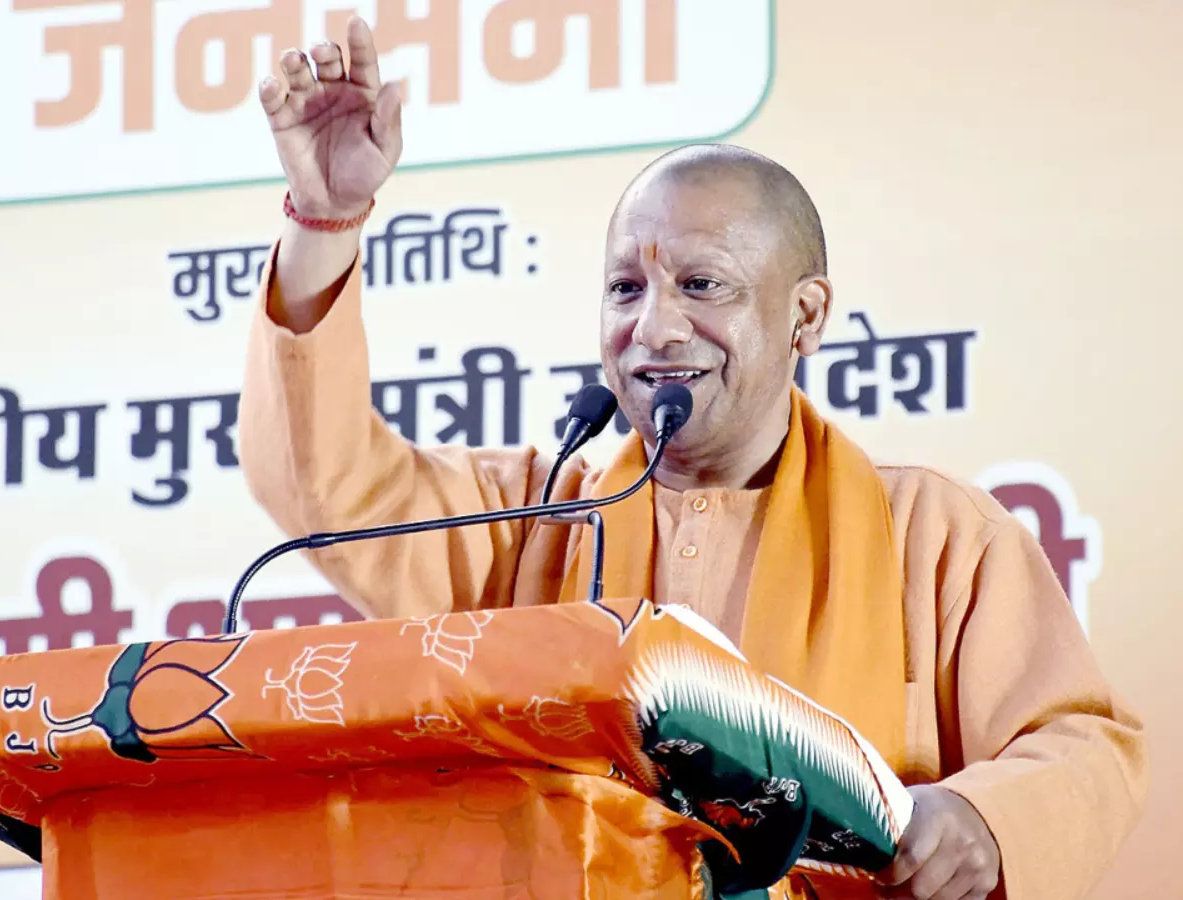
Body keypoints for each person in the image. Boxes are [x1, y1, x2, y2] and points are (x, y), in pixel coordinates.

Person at [236, 17, 1146, 900]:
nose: (654, 327)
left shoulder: (933, 536)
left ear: (805, 317)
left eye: (702, 285)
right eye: (625, 287)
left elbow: (1080, 742)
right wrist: (325, 220)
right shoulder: (534, 524)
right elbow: (329, 484)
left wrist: (983, 817)